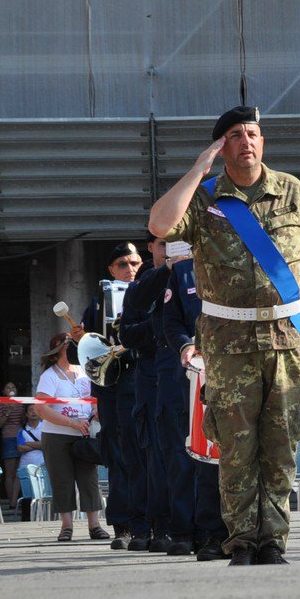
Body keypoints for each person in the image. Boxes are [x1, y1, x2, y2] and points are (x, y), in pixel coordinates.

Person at [148, 105, 300, 567]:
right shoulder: (205, 199)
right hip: (227, 340)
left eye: (253, 133)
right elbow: (159, 225)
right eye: (235, 135)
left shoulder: (291, 191)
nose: (247, 141)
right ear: (221, 146)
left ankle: (274, 540)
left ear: (263, 142)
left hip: (287, 336)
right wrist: (196, 169)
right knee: (236, 445)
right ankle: (243, 540)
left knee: (282, 442)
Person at [162, 241, 230, 561]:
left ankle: (232, 532)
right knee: (199, 457)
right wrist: (185, 345)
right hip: (195, 379)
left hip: (238, 373)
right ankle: (199, 533)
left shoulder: (245, 264)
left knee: (233, 456)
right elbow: (171, 321)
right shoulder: (183, 273)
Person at [78, 242, 146, 549]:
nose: (130, 269)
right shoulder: (96, 305)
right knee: (118, 455)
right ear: (111, 269)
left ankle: (149, 521)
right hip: (113, 387)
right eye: (122, 264)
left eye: (135, 262)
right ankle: (122, 524)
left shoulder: (152, 293)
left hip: (143, 381)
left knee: (147, 454)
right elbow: (83, 354)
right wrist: (78, 340)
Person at [119, 237, 177, 553]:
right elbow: (126, 334)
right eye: (162, 243)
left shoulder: (193, 277)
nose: (168, 249)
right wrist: (159, 327)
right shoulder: (140, 287)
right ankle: (157, 526)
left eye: (174, 242)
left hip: (185, 374)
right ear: (151, 248)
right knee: (154, 458)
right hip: (151, 376)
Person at [34, 333, 109, 542]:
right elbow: (41, 409)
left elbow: (95, 399)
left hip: (83, 434)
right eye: (70, 346)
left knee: (89, 479)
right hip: (57, 435)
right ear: (59, 350)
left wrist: (95, 411)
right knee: (62, 480)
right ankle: (66, 526)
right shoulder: (49, 376)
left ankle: (95, 525)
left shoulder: (84, 372)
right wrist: (71, 422)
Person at [0, 383, 27, 507]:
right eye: (8, 388)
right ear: (3, 391)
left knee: (20, 470)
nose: (11, 390)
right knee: (10, 472)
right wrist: (8, 412)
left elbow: (24, 421)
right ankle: (11, 501)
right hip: (8, 437)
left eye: (13, 387)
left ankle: (16, 498)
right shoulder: (1, 404)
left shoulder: (21, 403)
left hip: (21, 436)